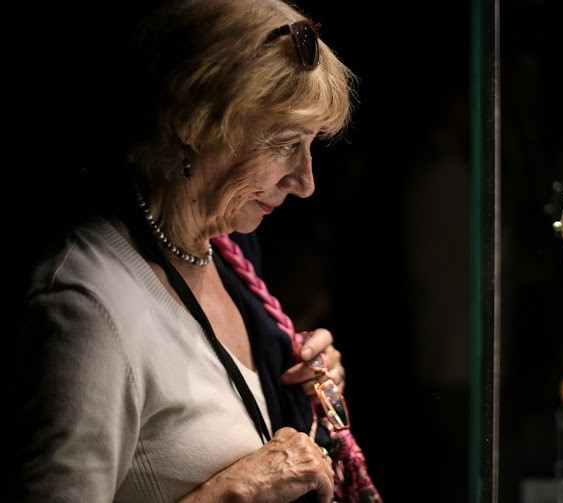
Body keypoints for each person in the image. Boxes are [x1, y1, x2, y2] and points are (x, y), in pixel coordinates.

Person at [9, 1, 381, 502]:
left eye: (311, 144)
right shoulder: (86, 309)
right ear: (192, 122)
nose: (305, 181)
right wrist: (235, 492)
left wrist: (309, 379)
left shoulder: (228, 252)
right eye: (284, 143)